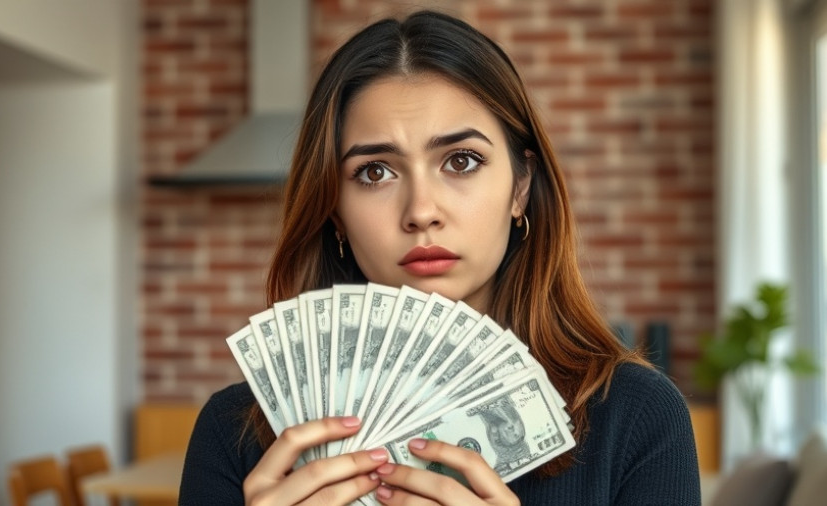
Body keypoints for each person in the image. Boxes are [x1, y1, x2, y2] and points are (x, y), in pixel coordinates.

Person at [179, 10, 701, 505]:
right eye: (375, 172)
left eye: (461, 161)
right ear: (334, 211)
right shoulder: (232, 433)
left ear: (520, 187)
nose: (421, 211)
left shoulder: (639, 416)